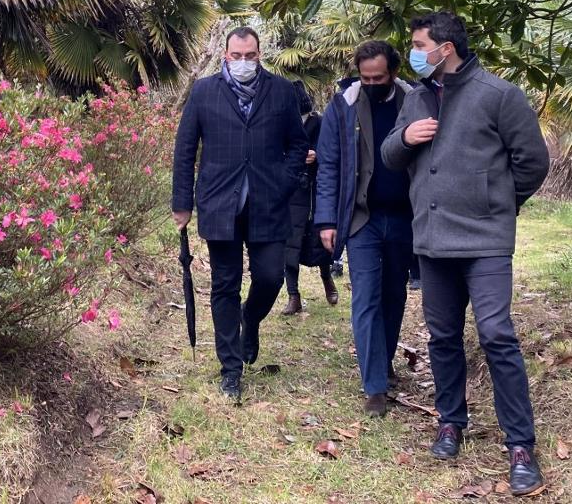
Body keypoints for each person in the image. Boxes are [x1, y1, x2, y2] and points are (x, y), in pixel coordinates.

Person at [382, 12, 550, 497]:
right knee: (442, 336)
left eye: (418, 44)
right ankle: (451, 422)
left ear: (446, 47)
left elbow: (532, 162)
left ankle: (521, 445)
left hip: (486, 241)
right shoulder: (415, 98)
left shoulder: (499, 95)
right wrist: (404, 138)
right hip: (432, 239)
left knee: (497, 334)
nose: (413, 52)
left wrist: (496, 204)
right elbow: (393, 156)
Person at [172, 26, 308, 403]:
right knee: (224, 285)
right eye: (237, 56)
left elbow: (298, 145)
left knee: (270, 277)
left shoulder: (281, 91)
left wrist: (284, 182)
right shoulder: (204, 91)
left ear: (259, 54)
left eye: (251, 56)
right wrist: (182, 202)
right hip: (220, 203)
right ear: (226, 55)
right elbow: (185, 150)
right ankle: (230, 368)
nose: (244, 62)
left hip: (269, 201)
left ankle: (251, 319)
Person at [313, 41, 414, 417]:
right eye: (364, 77)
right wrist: (325, 219)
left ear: (394, 72)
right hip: (361, 219)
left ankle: (383, 361)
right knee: (366, 298)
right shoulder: (343, 106)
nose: (371, 83)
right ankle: (374, 386)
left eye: (379, 77)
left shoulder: (414, 101)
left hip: (405, 218)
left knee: (394, 295)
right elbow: (328, 166)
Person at [281, 80, 338, 316]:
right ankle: (293, 296)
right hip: (291, 191)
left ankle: (327, 279)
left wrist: (317, 155)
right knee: (289, 244)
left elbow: (332, 152)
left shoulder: (321, 122)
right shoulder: (281, 125)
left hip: (315, 191)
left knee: (319, 238)